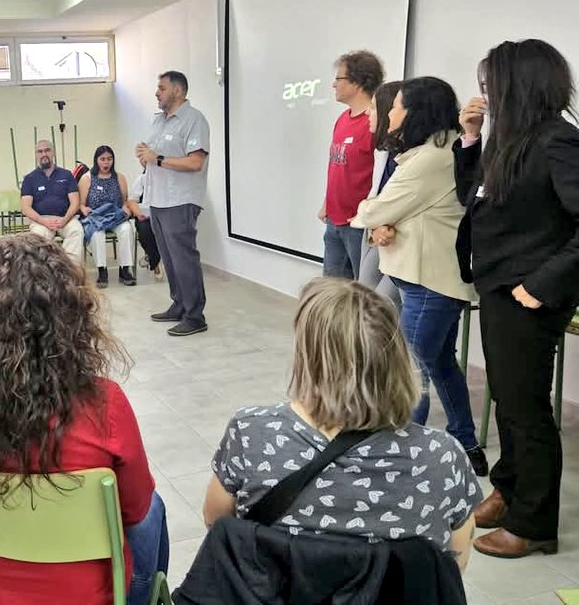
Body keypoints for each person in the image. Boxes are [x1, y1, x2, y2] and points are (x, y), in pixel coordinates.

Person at [0, 234, 167, 605]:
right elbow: (135, 513)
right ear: (71, 319)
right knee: (153, 508)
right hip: (92, 596)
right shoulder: (104, 405)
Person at [203, 278, 480, 570]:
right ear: (397, 358)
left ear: (308, 360)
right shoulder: (442, 456)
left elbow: (216, 522)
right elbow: (454, 566)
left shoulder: (252, 433)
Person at [455, 40, 579, 559]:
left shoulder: (558, 141)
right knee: (506, 396)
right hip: (499, 286)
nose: (486, 94)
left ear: (518, 83)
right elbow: (474, 200)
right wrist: (470, 138)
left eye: (491, 84)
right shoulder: (510, 140)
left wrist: (541, 285)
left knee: (526, 409)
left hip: (528, 294)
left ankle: (534, 523)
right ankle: (508, 487)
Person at [351, 77, 485, 475]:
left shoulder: (432, 157)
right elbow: (386, 211)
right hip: (424, 278)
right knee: (439, 363)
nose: (388, 113)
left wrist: (376, 218)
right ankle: (465, 440)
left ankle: (405, 448)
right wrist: (380, 218)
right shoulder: (432, 150)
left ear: (415, 112)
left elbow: (375, 210)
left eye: (394, 107)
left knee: (413, 367)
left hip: (431, 282)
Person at [135, 71, 210, 337]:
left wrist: (156, 158)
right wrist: (144, 156)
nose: (157, 93)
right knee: (168, 257)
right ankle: (178, 304)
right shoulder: (159, 122)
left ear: (177, 91)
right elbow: (155, 158)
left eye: (162, 88)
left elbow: (195, 162)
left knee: (184, 258)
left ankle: (194, 315)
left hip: (180, 200)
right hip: (158, 199)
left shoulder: (194, 120)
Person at [318, 51, 383, 279]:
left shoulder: (374, 123)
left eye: (339, 79)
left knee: (362, 290)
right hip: (334, 220)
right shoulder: (343, 119)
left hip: (358, 224)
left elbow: (382, 175)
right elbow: (337, 167)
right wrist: (327, 203)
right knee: (332, 290)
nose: (334, 84)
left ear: (357, 82)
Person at [357, 81, 402, 307]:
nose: (367, 112)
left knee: (380, 307)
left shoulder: (413, 156)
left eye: (374, 107)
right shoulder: (383, 149)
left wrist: (374, 221)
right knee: (364, 296)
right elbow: (377, 194)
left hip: (396, 237)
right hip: (375, 229)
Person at [78, 145, 137, 288]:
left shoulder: (119, 177)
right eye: (102, 159)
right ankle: (102, 271)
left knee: (126, 229)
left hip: (115, 216)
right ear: (96, 160)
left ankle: (125, 270)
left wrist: (125, 208)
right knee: (97, 233)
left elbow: (124, 200)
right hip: (96, 217)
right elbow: (80, 204)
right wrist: (84, 209)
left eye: (109, 159)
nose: (106, 163)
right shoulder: (87, 178)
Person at [20, 140, 85, 263]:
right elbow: (26, 207)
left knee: (77, 231)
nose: (44, 154)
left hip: (66, 218)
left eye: (47, 150)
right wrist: (43, 221)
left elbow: (75, 202)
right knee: (38, 237)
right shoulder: (29, 179)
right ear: (36, 155)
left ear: (53, 153)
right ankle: (45, 274)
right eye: (40, 151)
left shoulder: (67, 175)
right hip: (41, 220)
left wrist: (65, 219)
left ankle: (70, 271)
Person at [127, 168, 163, 281]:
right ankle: (155, 262)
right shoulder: (141, 179)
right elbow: (132, 201)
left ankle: (152, 257)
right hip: (145, 216)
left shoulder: (168, 179)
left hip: (165, 215)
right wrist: (138, 214)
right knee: (144, 230)